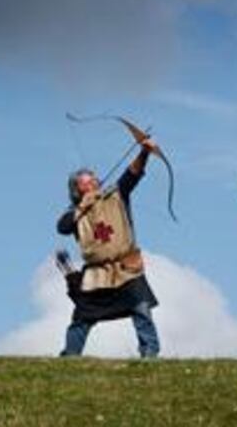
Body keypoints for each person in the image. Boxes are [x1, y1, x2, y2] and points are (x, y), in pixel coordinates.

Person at [56, 138, 161, 357]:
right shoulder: (75, 213)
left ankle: (149, 352)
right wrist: (82, 207)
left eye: (94, 179)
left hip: (126, 266)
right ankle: (70, 355)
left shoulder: (116, 196)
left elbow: (131, 175)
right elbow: (62, 227)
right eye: (86, 182)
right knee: (83, 316)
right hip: (97, 274)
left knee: (141, 307)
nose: (93, 183)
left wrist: (144, 152)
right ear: (77, 189)